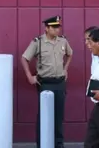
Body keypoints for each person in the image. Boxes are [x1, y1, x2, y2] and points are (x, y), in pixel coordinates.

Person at [21, 15, 73, 148]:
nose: (57, 30)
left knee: (59, 116)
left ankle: (58, 144)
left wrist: (65, 69)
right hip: (45, 83)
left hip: (60, 83)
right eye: (54, 27)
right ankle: (42, 144)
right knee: (44, 116)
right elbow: (24, 58)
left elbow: (70, 54)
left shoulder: (63, 41)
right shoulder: (38, 42)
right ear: (46, 28)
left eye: (58, 27)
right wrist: (29, 76)